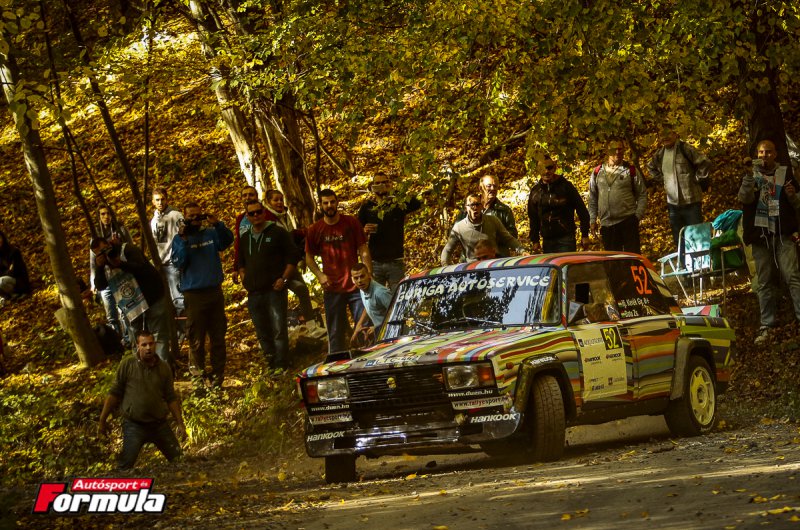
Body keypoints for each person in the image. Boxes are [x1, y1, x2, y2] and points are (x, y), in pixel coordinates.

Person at [738, 139, 800, 345]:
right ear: (757, 154)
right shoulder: (750, 175)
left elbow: (797, 204)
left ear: (775, 154)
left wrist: (792, 196)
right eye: (761, 152)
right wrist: (748, 177)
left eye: (768, 152)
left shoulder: (785, 173)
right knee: (764, 282)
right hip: (760, 236)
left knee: (792, 276)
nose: (764, 156)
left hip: (782, 234)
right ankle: (767, 324)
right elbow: (744, 199)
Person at [98, 330, 185, 470]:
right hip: (134, 425)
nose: (148, 348)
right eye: (144, 345)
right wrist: (102, 420)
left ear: (155, 345)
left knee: (179, 460)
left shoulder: (164, 368)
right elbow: (114, 393)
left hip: (159, 424)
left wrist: (180, 423)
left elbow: (171, 397)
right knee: (125, 466)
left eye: (151, 344)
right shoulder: (128, 365)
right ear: (137, 346)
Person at [172, 202, 234, 387]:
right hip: (194, 295)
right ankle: (198, 377)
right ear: (184, 218)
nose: (195, 219)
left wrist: (218, 224)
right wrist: (184, 240)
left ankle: (218, 376)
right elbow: (179, 262)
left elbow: (227, 241)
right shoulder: (179, 239)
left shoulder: (210, 233)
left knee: (218, 336)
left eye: (198, 215)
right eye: (190, 216)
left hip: (214, 291)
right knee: (196, 338)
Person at [238, 200, 302, 368]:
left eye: (258, 212)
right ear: (247, 216)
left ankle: (282, 363)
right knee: (261, 330)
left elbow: (293, 257)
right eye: (251, 213)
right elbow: (240, 262)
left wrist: (284, 279)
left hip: (274, 290)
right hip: (254, 292)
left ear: (264, 212)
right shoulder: (245, 237)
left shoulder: (278, 232)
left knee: (278, 329)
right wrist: (244, 278)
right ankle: (270, 362)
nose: (256, 215)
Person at [305, 189, 371, 353]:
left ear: (337, 203)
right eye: (326, 203)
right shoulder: (315, 229)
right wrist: (320, 275)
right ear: (321, 205)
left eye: (332, 202)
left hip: (356, 286)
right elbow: (308, 258)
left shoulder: (351, 222)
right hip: (332, 288)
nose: (329, 205)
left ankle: (369, 359)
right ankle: (337, 363)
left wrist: (368, 273)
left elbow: (363, 249)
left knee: (364, 328)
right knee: (335, 333)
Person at [91, 237, 171, 364]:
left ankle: (161, 369)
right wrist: (99, 267)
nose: (105, 255)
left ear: (109, 244)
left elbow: (142, 268)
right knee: (136, 338)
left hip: (152, 296)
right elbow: (100, 286)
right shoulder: (102, 265)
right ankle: (141, 369)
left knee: (158, 336)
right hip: (130, 305)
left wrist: (121, 264)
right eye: (99, 253)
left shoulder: (127, 249)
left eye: (104, 250)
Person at [357, 173, 422, 292]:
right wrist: (364, 231)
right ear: (372, 186)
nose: (381, 185)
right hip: (375, 261)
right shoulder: (367, 207)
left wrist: (393, 191)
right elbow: (357, 235)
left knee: (397, 295)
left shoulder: (397, 204)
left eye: (384, 182)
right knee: (377, 296)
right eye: (377, 183)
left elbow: (416, 203)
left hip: (395, 260)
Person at [647, 130, 713, 245]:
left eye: (668, 133)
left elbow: (705, 162)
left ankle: (703, 257)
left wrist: (697, 178)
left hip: (691, 202)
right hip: (673, 206)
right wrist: (663, 179)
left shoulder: (685, 148)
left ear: (675, 134)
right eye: (662, 134)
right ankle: (683, 257)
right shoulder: (660, 154)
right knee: (679, 241)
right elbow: (650, 167)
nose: (665, 137)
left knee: (699, 239)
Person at [264, 189, 315, 324]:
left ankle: (311, 324)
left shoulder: (284, 215)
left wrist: (306, 231)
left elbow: (290, 234)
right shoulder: (267, 218)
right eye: (276, 200)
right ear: (268, 202)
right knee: (282, 297)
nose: (279, 202)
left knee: (303, 290)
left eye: (281, 199)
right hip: (277, 268)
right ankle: (281, 327)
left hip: (290, 264)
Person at [588, 139, 648, 253]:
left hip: (628, 222)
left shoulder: (630, 170)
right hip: (607, 225)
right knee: (613, 261)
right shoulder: (597, 172)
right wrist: (592, 220)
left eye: (620, 149)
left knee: (632, 258)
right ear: (607, 151)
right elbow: (592, 198)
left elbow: (642, 194)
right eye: (613, 149)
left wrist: (637, 216)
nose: (617, 152)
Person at [528, 157, 591, 253]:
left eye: (549, 168)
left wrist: (585, 234)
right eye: (542, 168)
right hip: (547, 241)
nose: (546, 171)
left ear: (554, 168)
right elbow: (533, 217)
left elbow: (581, 210)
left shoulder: (566, 187)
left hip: (566, 238)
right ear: (538, 170)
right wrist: (535, 240)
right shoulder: (536, 191)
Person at [90, 205, 133, 341]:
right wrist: (93, 281)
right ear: (99, 217)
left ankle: (128, 339)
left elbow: (130, 247)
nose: (106, 217)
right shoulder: (95, 236)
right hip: (105, 278)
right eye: (102, 214)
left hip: (120, 275)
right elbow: (93, 260)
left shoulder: (120, 230)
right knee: (111, 314)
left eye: (108, 213)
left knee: (124, 309)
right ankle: (116, 340)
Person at [441, 194, 523, 265]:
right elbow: (447, 250)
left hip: (493, 264)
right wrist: (446, 267)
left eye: (477, 204)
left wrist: (522, 251)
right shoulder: (459, 227)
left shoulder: (493, 220)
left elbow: (508, 239)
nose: (475, 208)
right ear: (466, 208)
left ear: (481, 206)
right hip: (472, 268)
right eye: (472, 205)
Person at [455, 175, 518, 256]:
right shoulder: (468, 208)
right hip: (471, 258)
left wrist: (492, 237)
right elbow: (455, 234)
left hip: (498, 258)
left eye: (495, 186)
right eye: (489, 186)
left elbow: (513, 235)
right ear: (480, 188)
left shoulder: (504, 210)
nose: (492, 188)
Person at [231, 185, 276, 285]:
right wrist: (236, 268)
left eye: (251, 194)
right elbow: (239, 244)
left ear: (256, 196)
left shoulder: (267, 214)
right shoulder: (240, 219)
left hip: (269, 266)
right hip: (249, 266)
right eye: (244, 195)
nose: (247, 197)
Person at [150, 187, 184, 315]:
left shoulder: (175, 215)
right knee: (166, 299)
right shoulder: (154, 221)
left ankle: (184, 324)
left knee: (178, 298)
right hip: (160, 264)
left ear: (167, 199)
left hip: (173, 263)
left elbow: (184, 233)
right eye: (157, 200)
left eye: (162, 199)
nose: (160, 202)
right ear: (153, 202)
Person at [350, 263, 393, 346]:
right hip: (380, 334)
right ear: (352, 280)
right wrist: (359, 324)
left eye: (362, 276)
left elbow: (396, 313)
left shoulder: (380, 292)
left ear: (369, 275)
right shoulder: (363, 288)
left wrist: (377, 328)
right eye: (356, 278)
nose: (359, 281)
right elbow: (370, 305)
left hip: (391, 334)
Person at [0, 230, 31, 300]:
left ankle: (15, 294)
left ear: (3, 238)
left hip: (19, 282)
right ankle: (10, 296)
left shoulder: (14, 252)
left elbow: (14, 272)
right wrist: (7, 271)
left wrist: (5, 272)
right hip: (7, 282)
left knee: (1, 281)